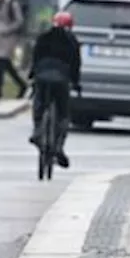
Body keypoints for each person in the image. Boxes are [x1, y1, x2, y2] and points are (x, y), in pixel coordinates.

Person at [28, 11, 81, 169]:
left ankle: (38, 130)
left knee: (39, 103)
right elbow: (75, 64)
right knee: (64, 113)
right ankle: (58, 146)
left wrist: (33, 75)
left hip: (42, 75)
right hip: (61, 78)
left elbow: (36, 56)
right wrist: (76, 83)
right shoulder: (71, 41)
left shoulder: (44, 36)